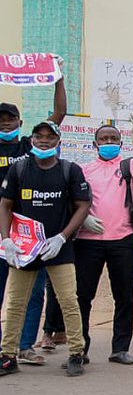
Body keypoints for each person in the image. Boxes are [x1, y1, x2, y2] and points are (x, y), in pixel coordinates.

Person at [0, 120, 92, 378]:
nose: (43, 141)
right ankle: (8, 356)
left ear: (58, 142)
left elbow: (83, 205)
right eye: (39, 137)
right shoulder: (19, 169)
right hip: (24, 248)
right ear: (31, 140)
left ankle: (76, 353)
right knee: (16, 302)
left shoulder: (69, 170)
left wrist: (63, 237)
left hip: (58, 247)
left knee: (68, 301)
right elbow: (5, 205)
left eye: (49, 138)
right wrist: (6, 239)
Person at [74, 114, 133, 365]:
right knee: (83, 295)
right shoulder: (83, 170)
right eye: (104, 139)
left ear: (120, 142)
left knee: (124, 296)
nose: (109, 142)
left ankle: (120, 348)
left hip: (122, 239)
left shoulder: (126, 165)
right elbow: (74, 200)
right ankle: (80, 347)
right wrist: (83, 220)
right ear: (94, 144)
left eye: (113, 138)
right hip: (88, 240)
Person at [0, 81, 67, 358]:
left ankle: (25, 346)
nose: (5, 125)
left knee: (32, 293)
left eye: (10, 120)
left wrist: (58, 77)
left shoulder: (30, 145)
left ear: (20, 121)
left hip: (28, 232)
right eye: (1, 121)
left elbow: (60, 112)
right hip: (3, 231)